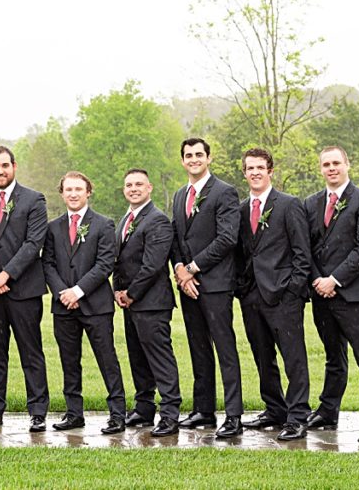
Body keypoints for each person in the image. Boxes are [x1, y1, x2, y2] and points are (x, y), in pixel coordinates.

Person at [304, 146, 359, 446]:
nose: (331, 168)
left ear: (347, 164)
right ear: (321, 169)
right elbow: (307, 247)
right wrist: (317, 279)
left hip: (356, 296)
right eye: (326, 164)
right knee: (333, 358)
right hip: (321, 296)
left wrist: (335, 279)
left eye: (336, 163)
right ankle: (328, 413)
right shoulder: (311, 203)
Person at [235, 148, 312, 441]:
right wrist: (242, 288)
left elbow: (302, 253)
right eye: (249, 168)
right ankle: (274, 409)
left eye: (260, 167)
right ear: (244, 173)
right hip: (251, 296)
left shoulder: (289, 205)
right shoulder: (241, 209)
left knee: (294, 358)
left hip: (283, 296)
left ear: (270, 171)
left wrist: (292, 289)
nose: (255, 172)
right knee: (262, 356)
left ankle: (297, 416)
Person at [41, 171, 126, 435]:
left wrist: (78, 291)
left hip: (96, 306)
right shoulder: (53, 228)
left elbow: (105, 264)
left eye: (79, 189)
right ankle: (74, 413)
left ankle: (117, 414)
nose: (73, 194)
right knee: (69, 360)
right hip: (63, 307)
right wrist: (62, 293)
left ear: (88, 192)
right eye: (68, 190)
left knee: (107, 359)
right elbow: (48, 263)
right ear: (62, 193)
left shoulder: (103, 224)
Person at [170, 137, 243, 437]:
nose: (193, 159)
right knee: (198, 348)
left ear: (209, 158)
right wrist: (179, 270)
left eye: (199, 154)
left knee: (225, 349)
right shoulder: (178, 195)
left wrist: (192, 268)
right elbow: (175, 238)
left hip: (214, 284)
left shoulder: (225, 193)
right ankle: (203, 411)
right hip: (188, 285)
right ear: (182, 160)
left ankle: (234, 415)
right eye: (188, 155)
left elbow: (227, 239)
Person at [0, 146, 49, 433]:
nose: (0, 171)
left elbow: (33, 244)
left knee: (31, 352)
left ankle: (38, 411)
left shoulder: (33, 200)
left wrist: (6, 275)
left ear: (14, 167)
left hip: (24, 290)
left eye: (5, 165)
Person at [112, 169, 181, 438]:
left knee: (159, 358)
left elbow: (152, 265)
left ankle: (170, 414)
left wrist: (131, 293)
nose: (133, 188)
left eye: (139, 184)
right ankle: (143, 407)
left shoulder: (158, 221)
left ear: (149, 188)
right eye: (129, 185)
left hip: (152, 303)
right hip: (129, 302)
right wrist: (117, 289)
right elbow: (119, 260)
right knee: (137, 357)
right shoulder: (125, 220)